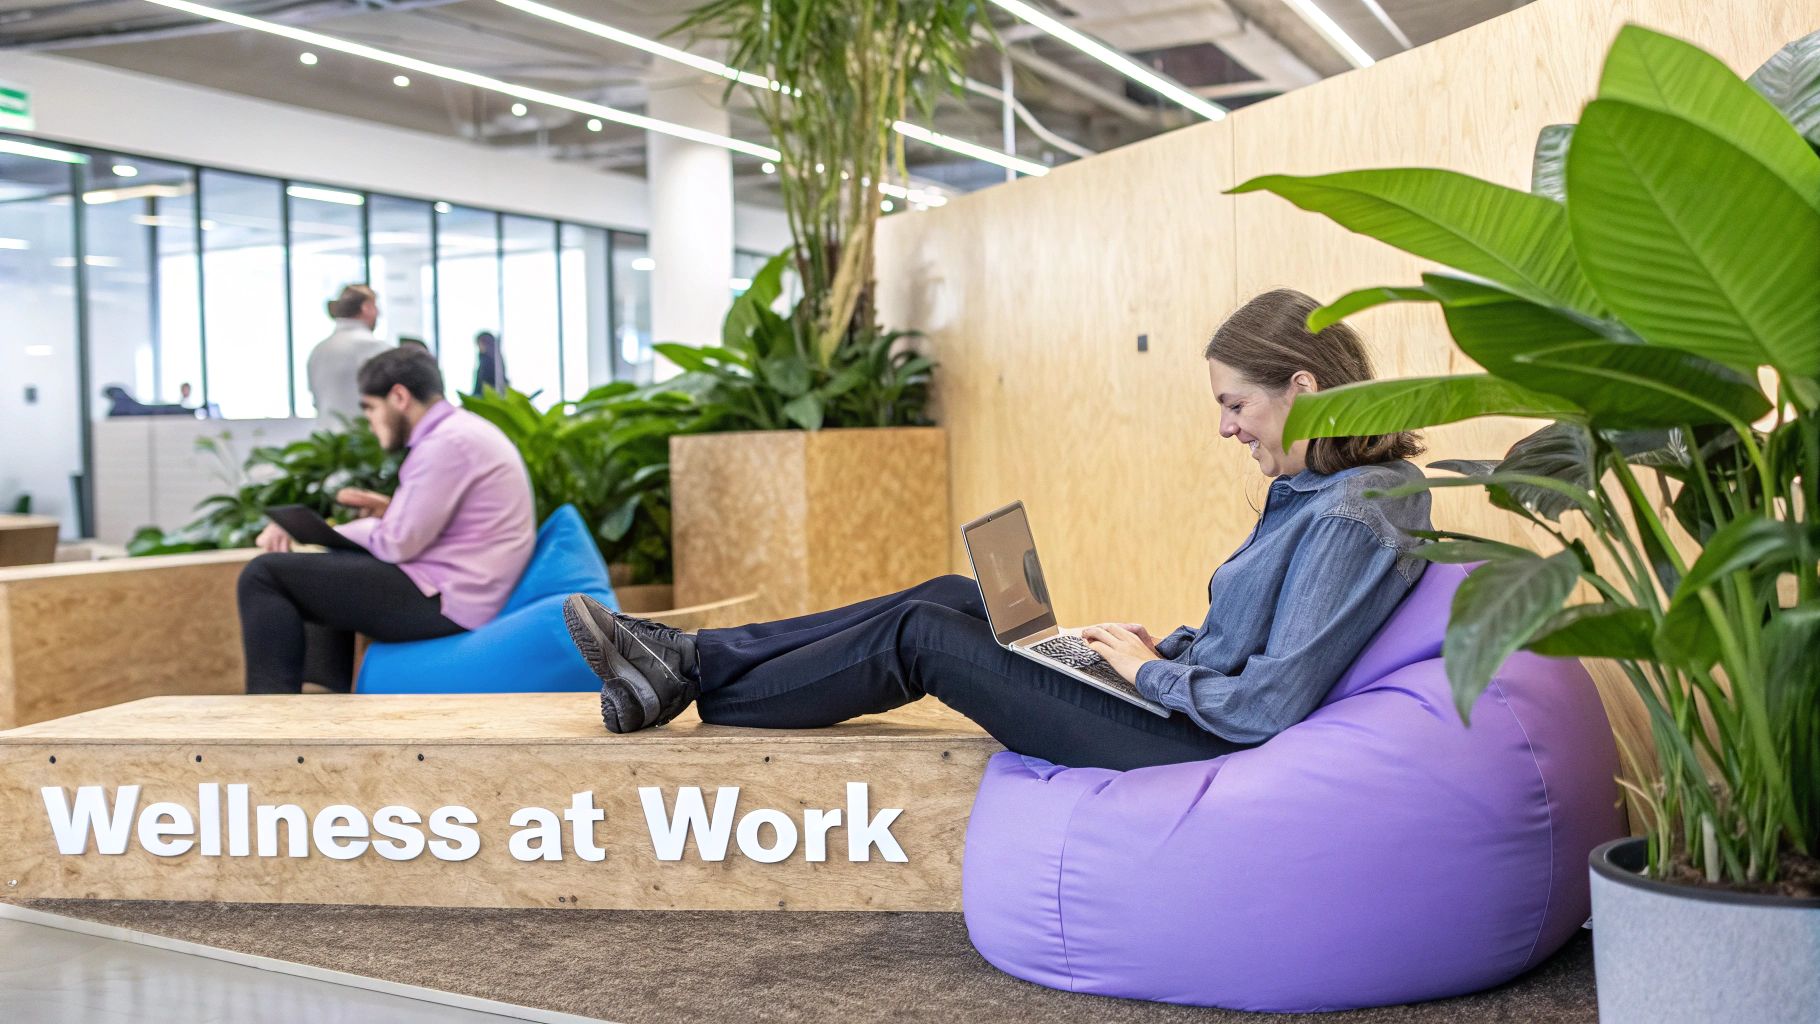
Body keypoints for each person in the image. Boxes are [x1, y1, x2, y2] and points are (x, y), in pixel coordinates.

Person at [561, 289, 1434, 770]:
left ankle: (681, 675)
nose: (1225, 429)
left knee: (920, 637)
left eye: (1235, 404)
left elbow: (1270, 706)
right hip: (1176, 709)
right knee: (953, 593)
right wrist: (1150, 647)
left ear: (1304, 388)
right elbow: (1256, 644)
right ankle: (686, 668)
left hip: (1187, 743)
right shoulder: (1320, 493)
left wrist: (1148, 674)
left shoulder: (1356, 516)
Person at [237, 347, 536, 695]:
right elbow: (423, 528)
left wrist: (333, 531)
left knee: (264, 575)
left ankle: (265, 720)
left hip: (452, 601)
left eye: (370, 408)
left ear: (398, 396)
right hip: (461, 587)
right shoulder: (462, 432)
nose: (369, 421)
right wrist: (387, 512)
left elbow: (397, 543)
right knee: (327, 572)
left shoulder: (445, 444)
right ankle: (318, 705)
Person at [307, 284, 391, 427]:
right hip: (362, 442)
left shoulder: (318, 350)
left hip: (326, 442)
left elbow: (316, 401)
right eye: (376, 307)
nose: (379, 314)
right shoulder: (375, 348)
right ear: (367, 307)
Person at [473, 331, 508, 395]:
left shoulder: (493, 360)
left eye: (480, 344)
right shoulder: (484, 359)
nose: (479, 347)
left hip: (490, 393)